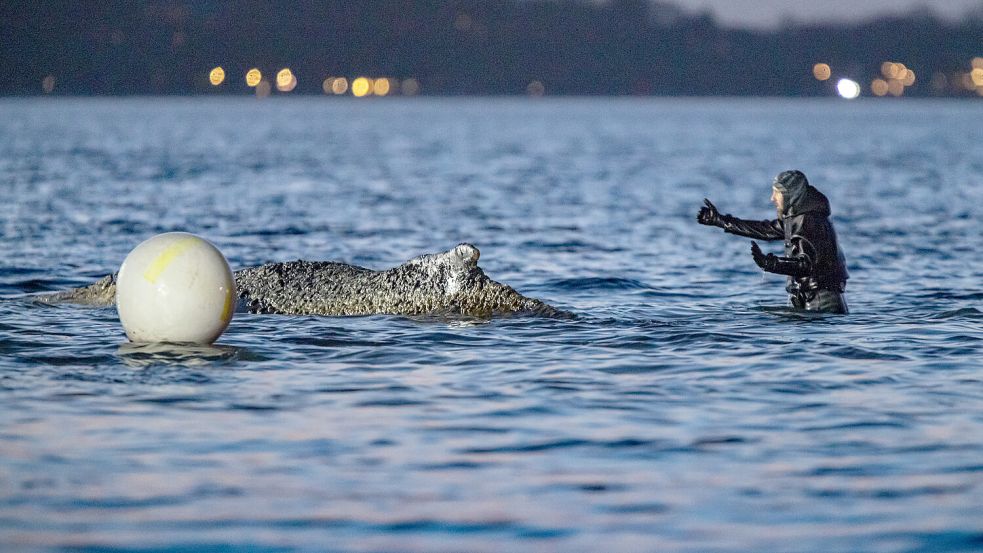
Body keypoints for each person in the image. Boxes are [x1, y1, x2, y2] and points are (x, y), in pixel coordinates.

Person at [697, 170, 849, 314]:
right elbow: (766, 230)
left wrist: (770, 263)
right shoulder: (798, 216)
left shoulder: (809, 221)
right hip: (813, 298)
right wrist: (720, 221)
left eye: (777, 192)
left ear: (791, 194)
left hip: (821, 301)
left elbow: (806, 266)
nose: (772, 198)